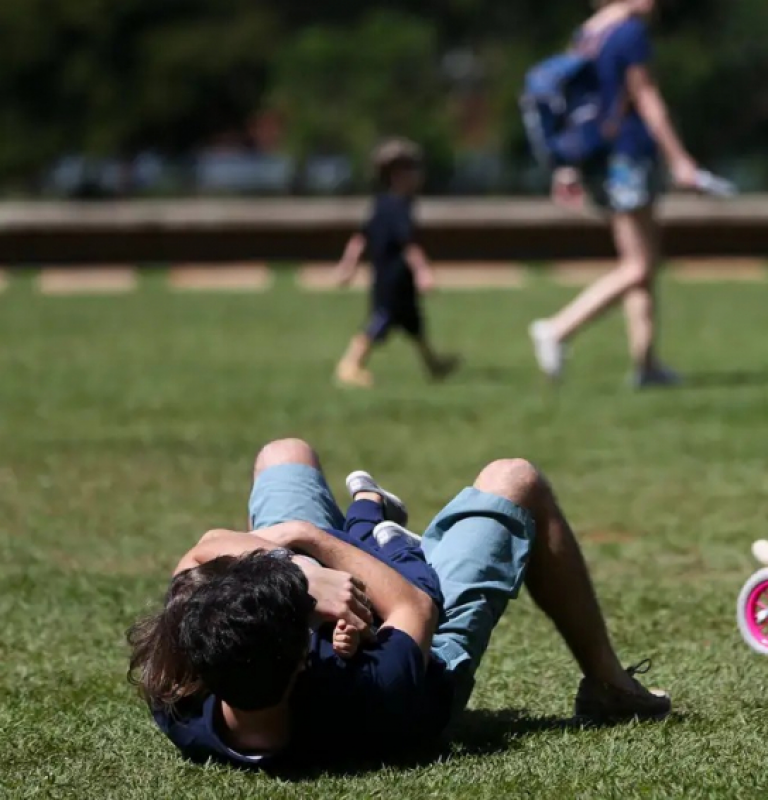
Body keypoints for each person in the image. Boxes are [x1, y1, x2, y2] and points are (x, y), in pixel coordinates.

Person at [127, 438, 669, 769]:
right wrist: (309, 545)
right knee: (515, 478)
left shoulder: (179, 693)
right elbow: (412, 606)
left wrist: (294, 571)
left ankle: (353, 523)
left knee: (284, 454)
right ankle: (610, 688)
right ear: (301, 657)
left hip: (281, 629)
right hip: (421, 640)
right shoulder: (373, 693)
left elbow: (201, 552)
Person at [529, 0, 701, 388]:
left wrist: (567, 166)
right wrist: (680, 159)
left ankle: (647, 364)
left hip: (600, 158)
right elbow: (646, 98)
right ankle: (557, 329)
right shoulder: (629, 33)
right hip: (629, 155)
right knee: (638, 266)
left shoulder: (589, 32)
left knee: (640, 261)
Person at [334, 139, 459, 388]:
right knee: (379, 323)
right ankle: (349, 365)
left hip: (395, 278)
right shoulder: (399, 207)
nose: (418, 176)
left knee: (415, 325)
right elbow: (409, 245)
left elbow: (360, 238)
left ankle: (434, 365)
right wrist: (424, 272)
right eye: (413, 170)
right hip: (392, 279)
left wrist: (348, 266)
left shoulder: (381, 204)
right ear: (397, 175)